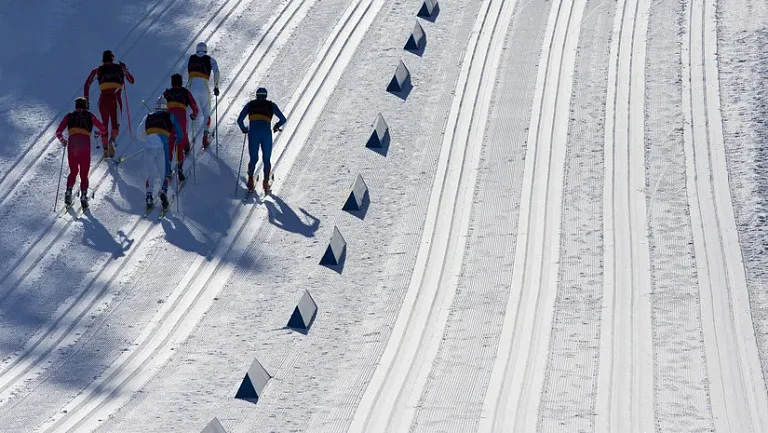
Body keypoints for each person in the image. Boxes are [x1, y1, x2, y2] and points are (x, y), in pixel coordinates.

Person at [55, 97, 107, 209]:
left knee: (73, 171)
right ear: (86, 106)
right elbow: (103, 129)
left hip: (72, 145)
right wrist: (97, 133)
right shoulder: (90, 116)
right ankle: (83, 196)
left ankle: (68, 192)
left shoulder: (69, 116)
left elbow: (58, 132)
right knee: (84, 174)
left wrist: (63, 141)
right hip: (85, 146)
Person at [83, 50, 135, 158]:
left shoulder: (97, 70)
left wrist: (86, 100)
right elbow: (131, 80)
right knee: (116, 123)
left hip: (103, 99)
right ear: (112, 58)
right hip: (116, 99)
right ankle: (112, 140)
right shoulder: (120, 68)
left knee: (103, 125)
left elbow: (87, 84)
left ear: (103, 59)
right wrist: (125, 70)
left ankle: (105, 149)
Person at [136, 97, 184, 210]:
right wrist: (177, 139)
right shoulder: (171, 116)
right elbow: (180, 134)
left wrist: (148, 139)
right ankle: (163, 190)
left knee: (150, 173)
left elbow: (139, 134)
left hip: (149, 147)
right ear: (166, 107)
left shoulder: (148, 116)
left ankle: (149, 195)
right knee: (164, 171)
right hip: (163, 146)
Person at [236, 87, 287, 193]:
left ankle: (250, 180)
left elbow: (240, 120)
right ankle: (266, 183)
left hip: (253, 133)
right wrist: (277, 126)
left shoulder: (250, 105)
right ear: (266, 96)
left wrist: (244, 129)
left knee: (254, 158)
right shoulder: (271, 105)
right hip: (266, 134)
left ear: (256, 95)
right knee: (266, 159)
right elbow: (283, 119)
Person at [182, 42, 220, 149]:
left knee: (187, 113)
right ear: (205, 50)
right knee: (206, 113)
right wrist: (216, 86)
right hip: (204, 87)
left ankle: (186, 140)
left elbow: (181, 71)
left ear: (197, 50)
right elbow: (217, 72)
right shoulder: (210, 59)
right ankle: (205, 137)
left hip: (191, 87)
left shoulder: (190, 58)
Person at [163, 73, 200, 176]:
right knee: (180, 142)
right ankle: (180, 167)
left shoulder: (166, 93)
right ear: (181, 82)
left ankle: (168, 169)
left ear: (172, 83)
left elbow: (160, 106)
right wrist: (194, 114)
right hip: (181, 119)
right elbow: (194, 106)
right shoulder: (185, 92)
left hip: (169, 120)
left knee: (170, 144)